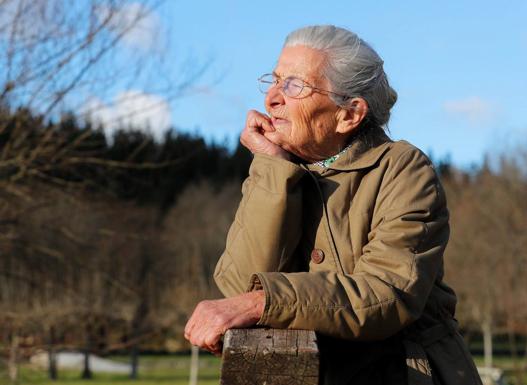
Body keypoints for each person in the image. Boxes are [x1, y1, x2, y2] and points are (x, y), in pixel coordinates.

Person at [184, 25, 482, 385]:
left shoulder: (404, 169)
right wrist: (272, 168)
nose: (272, 99)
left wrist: (261, 303)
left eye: (295, 86)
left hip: (403, 374)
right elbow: (237, 285)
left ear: (349, 114)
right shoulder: (278, 167)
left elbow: (386, 295)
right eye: (275, 81)